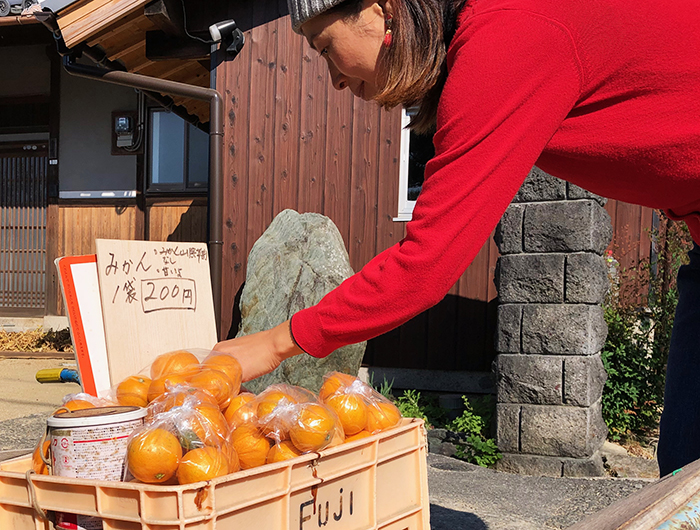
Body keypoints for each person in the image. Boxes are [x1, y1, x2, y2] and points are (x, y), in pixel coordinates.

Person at [215, 0, 700, 476]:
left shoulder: (508, 35)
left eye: (324, 48)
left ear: (382, 10)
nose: (335, 79)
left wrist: (276, 342)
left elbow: (424, 266)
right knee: (684, 469)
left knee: (687, 475)